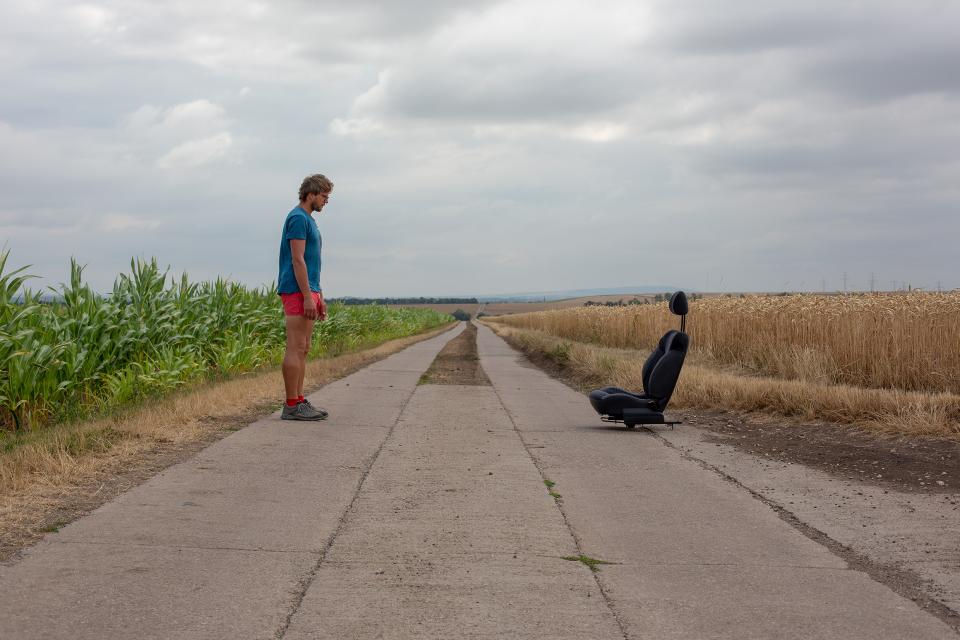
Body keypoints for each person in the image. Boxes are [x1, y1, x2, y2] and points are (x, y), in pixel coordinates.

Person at [277, 174, 333, 420]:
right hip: (297, 289)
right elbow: (297, 259)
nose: (326, 201)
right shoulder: (298, 218)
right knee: (296, 346)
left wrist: (319, 295)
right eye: (324, 196)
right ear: (310, 194)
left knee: (304, 348)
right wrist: (308, 297)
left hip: (310, 289)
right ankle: (291, 405)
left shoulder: (309, 220)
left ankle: (299, 400)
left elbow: (312, 262)